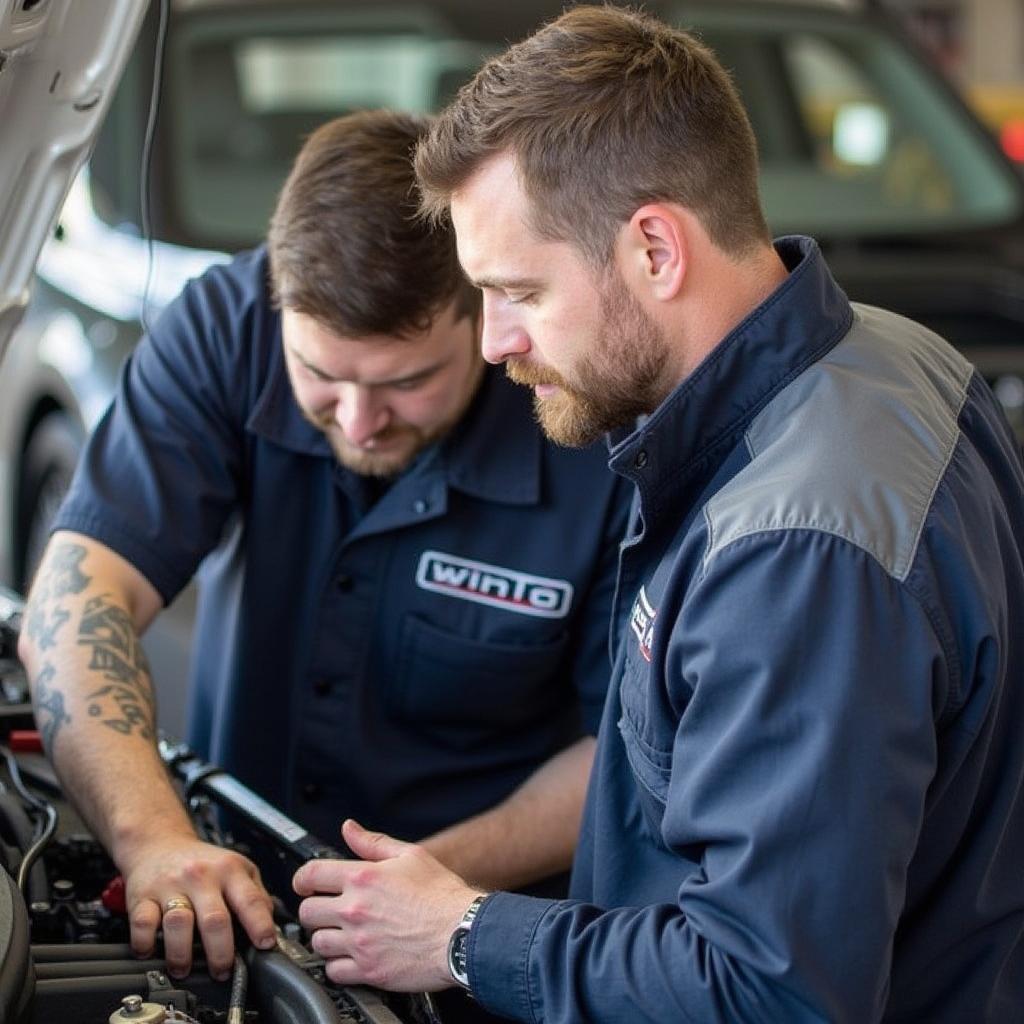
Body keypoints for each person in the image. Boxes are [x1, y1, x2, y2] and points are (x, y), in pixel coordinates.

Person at [288, 8, 1024, 1022]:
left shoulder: (797, 551)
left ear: (653, 250)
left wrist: (460, 932)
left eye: (517, 291)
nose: (495, 341)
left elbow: (769, 988)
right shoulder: (895, 357)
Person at [17, 109, 630, 991]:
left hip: (480, 937)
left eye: (406, 382)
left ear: (485, 314)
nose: (358, 420)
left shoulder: (587, 420)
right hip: (238, 903)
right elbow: (79, 599)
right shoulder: (226, 327)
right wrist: (153, 840)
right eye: (322, 376)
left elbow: (622, 744)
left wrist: (419, 891)